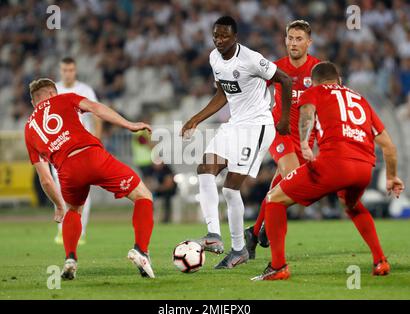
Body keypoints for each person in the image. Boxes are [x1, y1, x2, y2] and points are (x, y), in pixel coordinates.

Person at [252, 62, 405, 281]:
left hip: (333, 164)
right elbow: (388, 146)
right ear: (339, 80)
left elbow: (306, 112)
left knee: (274, 198)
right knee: (350, 204)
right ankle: (380, 261)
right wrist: (391, 176)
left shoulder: (313, 92)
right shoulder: (360, 99)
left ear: (313, 82)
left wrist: (304, 143)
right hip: (363, 170)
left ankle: (278, 267)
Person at [181, 16, 292, 269]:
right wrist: (196, 119)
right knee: (205, 168)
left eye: (224, 36)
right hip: (234, 124)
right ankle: (213, 235)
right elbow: (223, 93)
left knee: (231, 188)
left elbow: (285, 80)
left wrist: (283, 120)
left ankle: (239, 249)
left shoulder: (251, 59)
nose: (219, 40)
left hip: (257, 127)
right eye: (216, 36)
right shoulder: (214, 58)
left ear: (235, 37)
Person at [24, 78, 155, 279]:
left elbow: (45, 179)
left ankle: (70, 259)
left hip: (67, 171)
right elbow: (96, 108)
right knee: (143, 195)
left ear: (34, 102)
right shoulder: (65, 98)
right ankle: (141, 250)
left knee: (73, 211)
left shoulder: (28, 129)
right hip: (91, 156)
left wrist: (58, 205)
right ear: (52, 94)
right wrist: (128, 124)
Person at [244, 20, 321, 259]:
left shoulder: (319, 70)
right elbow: (253, 93)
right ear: (285, 40)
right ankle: (270, 238)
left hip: (305, 138)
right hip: (280, 130)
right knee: (291, 177)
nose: (294, 43)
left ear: (309, 42)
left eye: (299, 39)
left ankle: (255, 232)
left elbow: (329, 101)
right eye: (290, 38)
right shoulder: (276, 68)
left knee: (283, 187)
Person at [53, 57, 102, 245]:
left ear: (75, 70)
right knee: (59, 190)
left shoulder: (85, 90)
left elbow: (97, 115)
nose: (68, 73)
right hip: (59, 150)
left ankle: (80, 232)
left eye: (71, 70)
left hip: (82, 148)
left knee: (83, 192)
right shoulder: (54, 90)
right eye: (65, 70)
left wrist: (96, 141)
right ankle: (62, 230)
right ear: (60, 70)